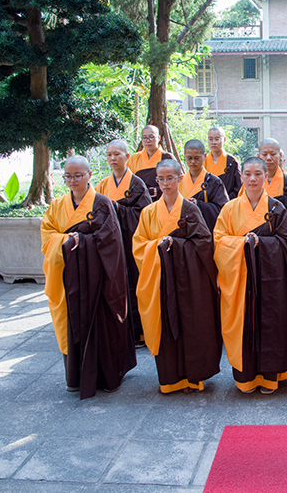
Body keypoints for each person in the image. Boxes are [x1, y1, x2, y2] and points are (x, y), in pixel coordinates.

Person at [41, 156, 136, 399]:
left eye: (78, 175)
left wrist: (80, 241)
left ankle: (107, 376)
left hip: (99, 279)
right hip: (68, 277)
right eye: (68, 177)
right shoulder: (57, 205)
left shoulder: (102, 204)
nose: (73, 181)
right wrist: (66, 240)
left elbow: (112, 243)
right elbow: (47, 235)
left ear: (89, 175)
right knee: (71, 322)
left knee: (102, 323)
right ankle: (75, 377)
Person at [214, 157, 287, 394]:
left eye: (257, 174)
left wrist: (261, 244)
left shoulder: (276, 209)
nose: (252, 179)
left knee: (271, 324)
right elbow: (218, 241)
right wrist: (243, 244)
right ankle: (246, 378)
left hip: (271, 282)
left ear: (266, 177)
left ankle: (269, 378)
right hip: (240, 280)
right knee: (242, 326)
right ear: (241, 177)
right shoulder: (229, 209)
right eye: (247, 174)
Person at [132, 159, 222, 394]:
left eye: (170, 178)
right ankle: (170, 378)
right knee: (164, 325)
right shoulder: (149, 212)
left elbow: (204, 242)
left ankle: (192, 378)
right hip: (160, 279)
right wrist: (158, 247)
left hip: (188, 281)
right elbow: (139, 246)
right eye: (160, 179)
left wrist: (176, 244)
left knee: (190, 327)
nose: (165, 183)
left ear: (179, 178)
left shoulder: (190, 209)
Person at [95, 140, 153, 348]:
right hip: (111, 244)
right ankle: (118, 330)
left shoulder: (136, 184)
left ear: (127, 156)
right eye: (109, 154)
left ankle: (138, 332)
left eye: (117, 154)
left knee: (134, 284)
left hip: (130, 243)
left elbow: (145, 214)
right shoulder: (102, 185)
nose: (112, 158)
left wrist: (117, 208)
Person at [240, 138, 287, 215]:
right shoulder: (250, 182)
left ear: (280, 155)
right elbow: (240, 209)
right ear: (258, 156)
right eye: (264, 154)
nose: (268, 158)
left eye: (273, 154)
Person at [179, 139, 229, 233]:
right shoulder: (180, 181)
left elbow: (223, 210)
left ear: (205, 156)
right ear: (184, 157)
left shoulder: (214, 182)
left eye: (197, 158)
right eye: (189, 158)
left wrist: (198, 204)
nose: (193, 162)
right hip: (184, 231)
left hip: (206, 232)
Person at [126, 125, 175, 200]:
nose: (148, 140)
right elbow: (126, 180)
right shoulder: (134, 158)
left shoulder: (167, 158)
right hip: (140, 201)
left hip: (162, 201)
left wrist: (156, 191)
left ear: (158, 138)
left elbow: (177, 181)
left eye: (151, 137)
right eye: (144, 138)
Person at [205, 126, 242, 199]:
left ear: (224, 139)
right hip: (207, 205)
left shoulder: (231, 161)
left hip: (227, 203)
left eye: (217, 139)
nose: (213, 142)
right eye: (210, 139)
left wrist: (227, 200)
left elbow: (238, 186)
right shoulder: (203, 160)